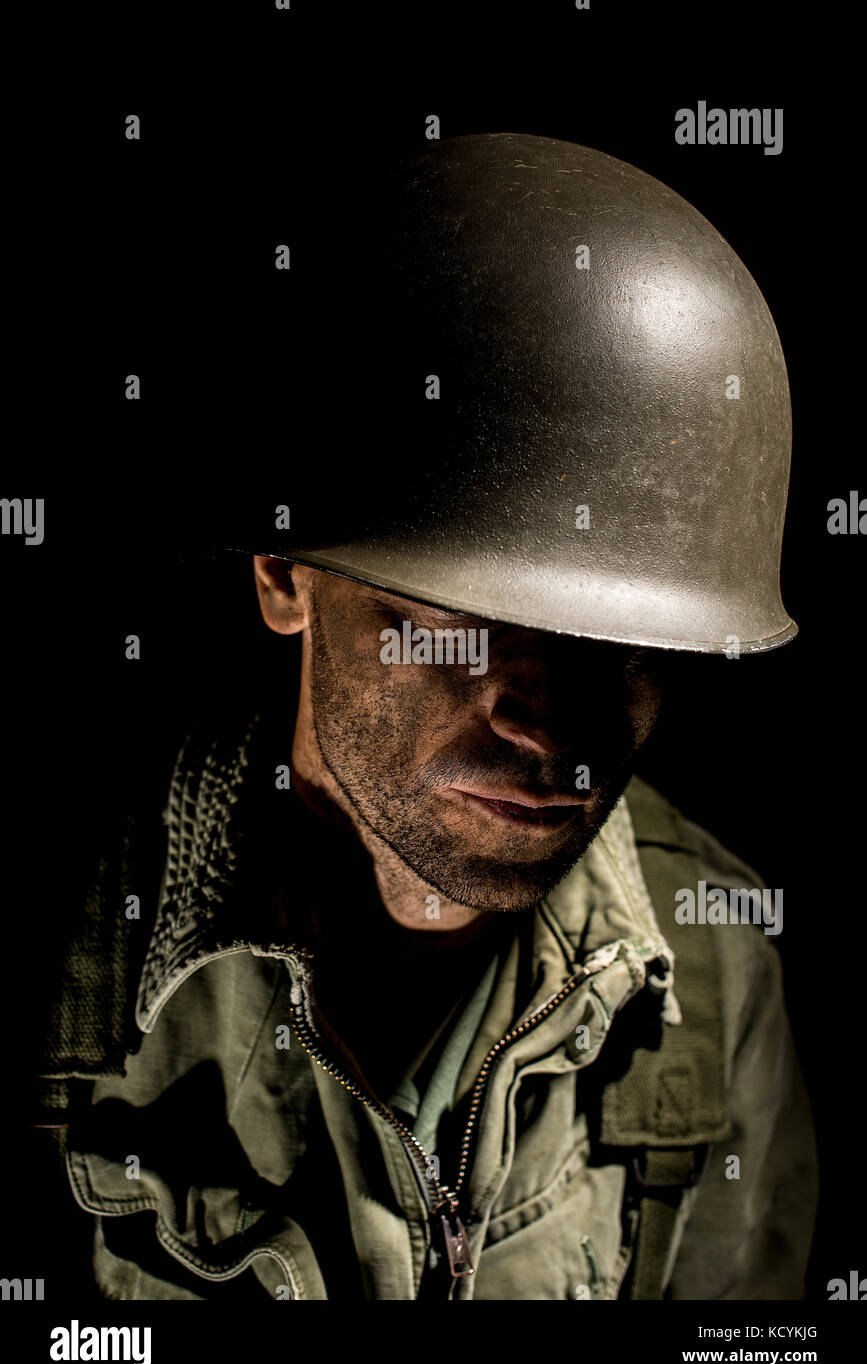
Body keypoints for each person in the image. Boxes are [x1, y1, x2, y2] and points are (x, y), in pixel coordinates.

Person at [33, 132, 818, 1300]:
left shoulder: (707, 976)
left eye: (630, 648)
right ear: (286, 574)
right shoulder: (67, 962)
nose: (558, 729)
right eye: (471, 620)